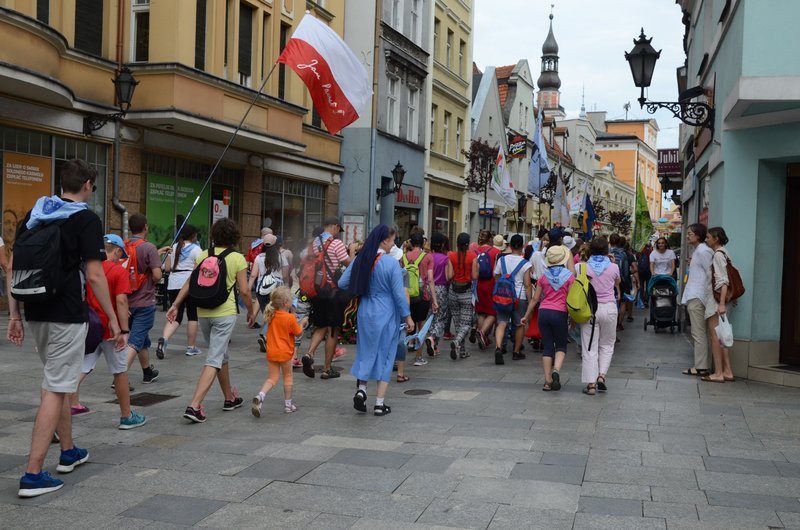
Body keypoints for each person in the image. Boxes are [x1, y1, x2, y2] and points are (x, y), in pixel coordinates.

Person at [7, 159, 123, 497]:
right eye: (93, 186)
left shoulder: (37, 212)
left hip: (36, 310)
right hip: (67, 312)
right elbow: (96, 275)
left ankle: (68, 450)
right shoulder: (86, 218)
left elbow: (13, 266)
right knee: (55, 388)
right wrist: (113, 319)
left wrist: (14, 315)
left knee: (56, 381)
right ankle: (32, 474)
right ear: (87, 184)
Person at [168, 218, 255, 423]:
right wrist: (251, 311)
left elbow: (190, 282)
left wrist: (176, 304)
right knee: (214, 358)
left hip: (204, 312)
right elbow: (244, 290)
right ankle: (194, 406)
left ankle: (229, 398)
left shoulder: (204, 254)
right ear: (235, 237)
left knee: (220, 354)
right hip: (224, 312)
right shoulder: (237, 258)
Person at [70, 234, 145, 428]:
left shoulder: (87, 269)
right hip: (112, 330)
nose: (121, 259)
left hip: (90, 326)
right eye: (121, 255)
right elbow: (121, 301)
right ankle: (126, 416)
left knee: (81, 369)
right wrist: (124, 329)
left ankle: (63, 408)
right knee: (120, 372)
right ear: (117, 251)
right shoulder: (118, 271)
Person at [339, 224, 412, 416]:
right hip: (386, 312)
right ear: (385, 240)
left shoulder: (362, 258)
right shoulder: (391, 264)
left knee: (365, 352)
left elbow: (342, 282)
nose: (393, 244)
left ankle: (362, 391)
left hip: (365, 311)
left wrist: (361, 287)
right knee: (386, 355)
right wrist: (407, 316)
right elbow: (399, 295)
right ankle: (379, 404)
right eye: (392, 240)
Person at [301, 217, 356, 379]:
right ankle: (326, 369)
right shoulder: (336, 243)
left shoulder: (313, 244)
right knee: (332, 330)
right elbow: (350, 265)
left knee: (321, 326)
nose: (338, 232)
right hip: (331, 292)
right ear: (335, 227)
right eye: (338, 229)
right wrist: (352, 251)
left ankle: (309, 354)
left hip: (316, 291)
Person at [521, 245, 574, 392]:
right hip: (560, 313)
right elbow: (570, 301)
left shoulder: (544, 276)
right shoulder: (570, 277)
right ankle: (556, 370)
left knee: (548, 347)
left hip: (543, 313)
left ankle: (547, 381)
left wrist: (526, 316)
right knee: (561, 346)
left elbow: (535, 299)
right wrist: (573, 319)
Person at [251, 286, 307, 417]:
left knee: (272, 378)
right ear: (286, 302)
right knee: (288, 377)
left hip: (272, 352)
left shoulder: (271, 315)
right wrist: (303, 323)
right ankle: (288, 405)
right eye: (291, 299)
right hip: (285, 353)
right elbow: (298, 333)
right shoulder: (290, 318)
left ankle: (260, 395)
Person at [124, 213, 162, 384]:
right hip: (144, 301)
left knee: (142, 338)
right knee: (135, 341)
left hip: (126, 302)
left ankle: (147, 372)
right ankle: (119, 377)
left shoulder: (124, 245)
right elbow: (157, 275)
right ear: (145, 227)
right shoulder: (149, 247)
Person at [579, 238, 620, 395]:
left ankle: (591, 384)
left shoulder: (583, 267)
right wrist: (612, 262)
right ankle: (601, 375)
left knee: (590, 346)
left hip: (590, 309)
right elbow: (617, 282)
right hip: (609, 308)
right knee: (607, 344)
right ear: (606, 251)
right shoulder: (613, 267)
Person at [156, 225, 202, 358]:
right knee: (192, 315)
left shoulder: (173, 247)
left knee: (175, 314)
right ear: (193, 235)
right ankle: (191, 347)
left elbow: (167, 268)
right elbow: (198, 269)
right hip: (189, 284)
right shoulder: (196, 249)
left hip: (173, 283)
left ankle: (164, 338)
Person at [702, 226, 735, 383]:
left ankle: (718, 373)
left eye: (708, 237)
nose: (706, 239)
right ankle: (727, 371)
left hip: (716, 302)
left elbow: (723, 281)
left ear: (716, 239)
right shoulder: (725, 253)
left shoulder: (717, 255)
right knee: (721, 336)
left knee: (715, 336)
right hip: (721, 301)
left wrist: (721, 304)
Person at [493, 235, 532, 365]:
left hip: (503, 296)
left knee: (501, 322)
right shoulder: (525, 263)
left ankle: (498, 348)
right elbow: (527, 284)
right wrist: (530, 300)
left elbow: (496, 276)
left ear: (509, 246)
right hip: (519, 298)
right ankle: (516, 352)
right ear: (522, 247)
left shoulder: (502, 260)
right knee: (519, 324)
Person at [680, 224, 713, 377]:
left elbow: (711, 273)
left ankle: (701, 367)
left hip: (698, 296)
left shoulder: (703, 251)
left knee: (698, 333)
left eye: (690, 234)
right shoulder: (699, 251)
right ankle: (703, 365)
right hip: (696, 295)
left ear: (698, 235)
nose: (687, 236)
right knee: (700, 333)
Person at [247, 234, 289, 351]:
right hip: (277, 290)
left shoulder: (259, 257)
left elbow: (253, 275)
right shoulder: (281, 256)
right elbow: (285, 275)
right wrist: (287, 287)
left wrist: (248, 288)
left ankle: (269, 339)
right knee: (275, 315)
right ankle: (265, 336)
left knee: (268, 315)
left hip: (262, 290)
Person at [402, 232, 438, 367]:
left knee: (404, 327)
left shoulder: (404, 257)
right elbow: (430, 279)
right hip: (423, 296)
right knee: (421, 327)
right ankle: (418, 357)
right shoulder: (427, 257)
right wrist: (434, 300)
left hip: (406, 296)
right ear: (423, 243)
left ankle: (400, 359)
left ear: (411, 243)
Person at [447, 233, 475, 360]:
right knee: (467, 322)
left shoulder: (451, 256)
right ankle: (457, 341)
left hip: (453, 291)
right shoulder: (472, 256)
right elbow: (475, 276)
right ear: (468, 244)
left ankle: (462, 351)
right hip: (466, 292)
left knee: (458, 323)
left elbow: (449, 276)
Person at [471, 231, 501, 350]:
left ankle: (483, 336)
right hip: (491, 284)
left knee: (481, 312)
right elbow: (496, 271)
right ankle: (482, 332)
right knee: (493, 312)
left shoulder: (474, 252)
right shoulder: (496, 252)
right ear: (490, 240)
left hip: (478, 285)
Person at [427, 233, 452, 357]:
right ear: (442, 244)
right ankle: (432, 337)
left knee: (430, 316)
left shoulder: (427, 257)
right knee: (441, 317)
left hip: (427, 288)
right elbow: (448, 277)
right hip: (441, 289)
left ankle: (433, 345)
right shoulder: (445, 258)